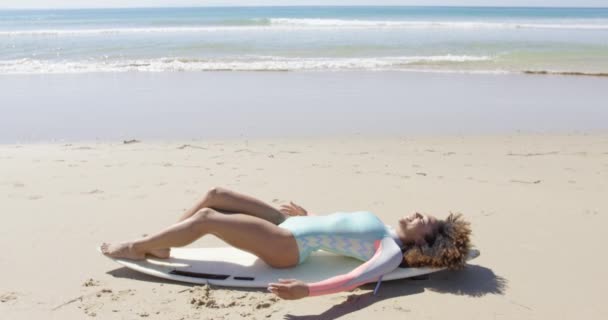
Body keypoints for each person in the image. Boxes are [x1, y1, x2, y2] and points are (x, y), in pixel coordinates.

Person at [101, 187, 472, 300]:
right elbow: (338, 229)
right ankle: (164, 244)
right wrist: (310, 215)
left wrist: (307, 290)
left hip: (288, 246)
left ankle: (139, 246)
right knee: (215, 195)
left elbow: (354, 279)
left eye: (427, 222)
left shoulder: (389, 253)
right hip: (295, 225)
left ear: (425, 241)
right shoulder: (385, 227)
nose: (420, 213)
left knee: (207, 220)